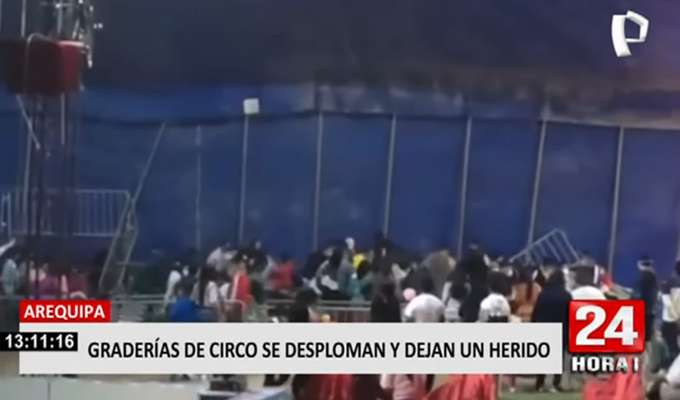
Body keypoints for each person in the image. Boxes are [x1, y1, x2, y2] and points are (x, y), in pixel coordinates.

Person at [532, 268, 571, 392]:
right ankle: (555, 384)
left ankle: (540, 384)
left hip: (544, 329)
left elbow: (536, 312)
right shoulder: (566, 295)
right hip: (561, 330)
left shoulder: (543, 294)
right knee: (558, 358)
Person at [662, 260, 680, 368]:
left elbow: (667, 302)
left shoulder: (668, 284)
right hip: (675, 321)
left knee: (671, 348)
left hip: (670, 320)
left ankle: (667, 367)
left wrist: (676, 317)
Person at [635, 256, 658, 343]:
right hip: (650, 310)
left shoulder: (644, 276)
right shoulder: (653, 276)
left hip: (643, 311)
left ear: (640, 264)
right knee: (646, 337)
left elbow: (639, 294)